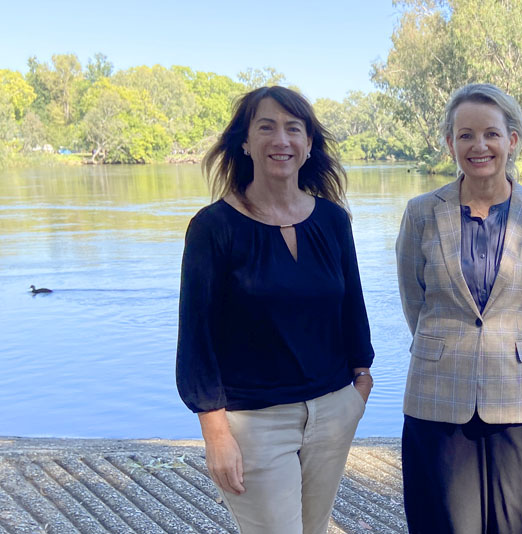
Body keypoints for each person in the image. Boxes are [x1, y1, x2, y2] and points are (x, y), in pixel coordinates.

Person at [176, 86, 374, 534]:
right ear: (245, 142)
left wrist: (360, 384)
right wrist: (216, 433)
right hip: (253, 424)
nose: (280, 140)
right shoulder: (213, 228)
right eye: (266, 127)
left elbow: (353, 308)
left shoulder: (332, 220)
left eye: (293, 129)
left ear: (307, 146)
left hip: (333, 411)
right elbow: (196, 339)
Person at [395, 83, 522, 534]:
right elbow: (415, 299)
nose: (479, 145)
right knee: (445, 523)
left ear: (512, 140)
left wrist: (503, 343)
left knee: (519, 524)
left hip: (518, 395)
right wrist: (451, 345)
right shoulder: (421, 213)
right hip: (438, 393)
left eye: (491, 133)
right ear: (450, 143)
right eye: (465, 135)